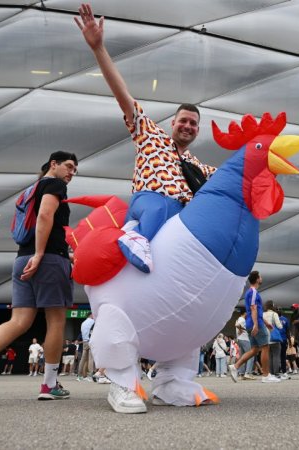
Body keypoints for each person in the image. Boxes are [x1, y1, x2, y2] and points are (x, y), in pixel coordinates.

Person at [75, 3, 216, 273]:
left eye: (193, 124)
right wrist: (98, 48)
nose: (187, 126)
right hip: (151, 202)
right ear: (172, 123)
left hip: (178, 226)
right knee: (162, 205)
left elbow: (228, 178)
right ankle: (134, 237)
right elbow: (122, 95)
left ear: (198, 130)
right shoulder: (150, 134)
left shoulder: (197, 166)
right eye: (183, 121)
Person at [0, 151, 77, 406]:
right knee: (55, 320)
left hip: (22, 259)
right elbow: (45, 215)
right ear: (53, 164)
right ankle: (50, 384)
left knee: (19, 320)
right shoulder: (54, 184)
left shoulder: (29, 191)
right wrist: (42, 253)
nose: (72, 172)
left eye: (75, 169)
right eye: (69, 166)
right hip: (48, 259)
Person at [228, 271, 280, 383]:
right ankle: (266, 375)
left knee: (255, 349)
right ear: (257, 279)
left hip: (251, 323)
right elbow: (253, 308)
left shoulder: (249, 292)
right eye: (260, 276)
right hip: (256, 324)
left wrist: (266, 322)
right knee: (265, 347)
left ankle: (235, 366)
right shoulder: (253, 292)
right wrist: (257, 324)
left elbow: (256, 310)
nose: (261, 278)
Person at [234, 309, 254, 378]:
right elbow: (237, 325)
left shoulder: (238, 319)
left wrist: (240, 330)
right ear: (245, 313)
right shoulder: (242, 319)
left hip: (240, 339)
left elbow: (236, 324)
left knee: (242, 356)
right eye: (247, 312)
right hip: (244, 339)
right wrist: (241, 330)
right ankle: (247, 372)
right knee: (250, 355)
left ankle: (241, 372)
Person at [77, 312, 95, 381]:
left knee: (83, 359)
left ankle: (79, 376)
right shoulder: (93, 321)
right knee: (91, 359)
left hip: (84, 341)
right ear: (91, 315)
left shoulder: (83, 323)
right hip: (90, 341)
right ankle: (90, 375)